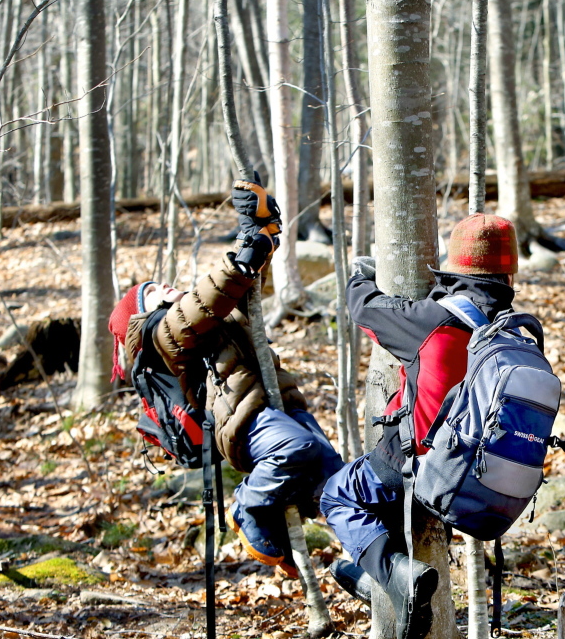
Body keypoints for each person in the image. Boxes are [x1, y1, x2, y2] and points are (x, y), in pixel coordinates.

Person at [108, 179, 342, 578]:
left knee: (333, 475)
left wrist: (263, 232)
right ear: (142, 314)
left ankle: (368, 558)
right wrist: (244, 254)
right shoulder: (162, 335)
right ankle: (248, 507)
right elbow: (208, 295)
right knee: (298, 448)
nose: (164, 286)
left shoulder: (213, 324)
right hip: (244, 423)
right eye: (152, 290)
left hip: (276, 409)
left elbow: (243, 290)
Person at [319, 213, 521, 639]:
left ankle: (396, 576)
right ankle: (373, 576)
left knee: (338, 496)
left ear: (457, 269)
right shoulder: (512, 330)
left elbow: (365, 310)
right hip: (479, 478)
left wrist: (361, 274)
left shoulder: (432, 320)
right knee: (380, 517)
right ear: (507, 274)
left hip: (421, 468)